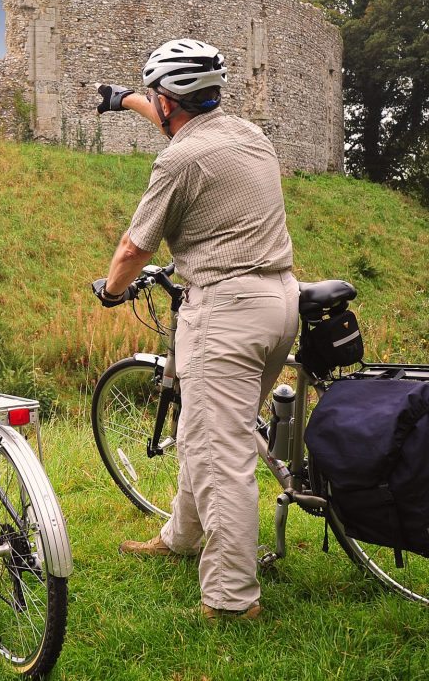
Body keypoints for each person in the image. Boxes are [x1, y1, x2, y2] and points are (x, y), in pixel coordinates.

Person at [94, 39, 298, 619]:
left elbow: (135, 246)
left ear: (168, 102)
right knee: (206, 430)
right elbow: (177, 119)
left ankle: (232, 598)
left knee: (217, 450)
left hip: (225, 313)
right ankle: (180, 537)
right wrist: (124, 100)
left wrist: (110, 291)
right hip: (280, 303)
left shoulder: (179, 162)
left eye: (153, 98)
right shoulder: (249, 135)